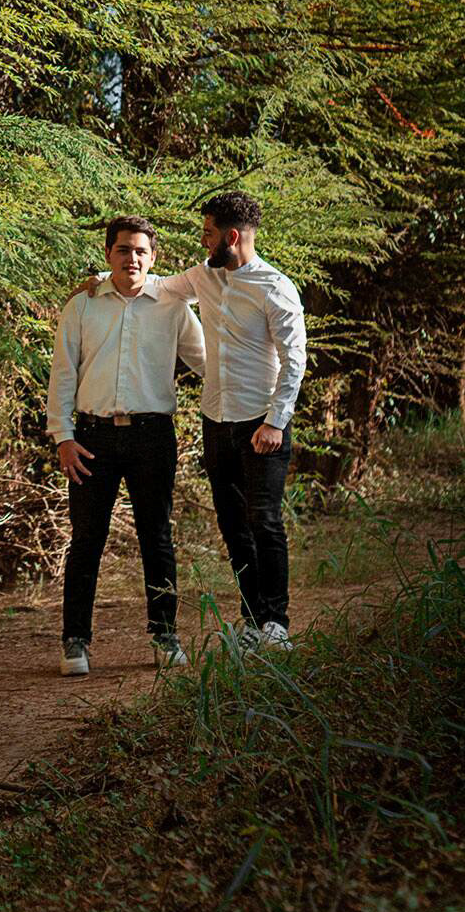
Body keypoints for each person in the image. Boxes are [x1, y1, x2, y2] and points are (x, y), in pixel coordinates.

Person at [89, 190, 307, 649]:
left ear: (232, 237)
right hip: (216, 422)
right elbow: (159, 286)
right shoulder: (203, 276)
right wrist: (99, 280)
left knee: (264, 521)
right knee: (232, 525)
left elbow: (295, 360)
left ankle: (276, 622)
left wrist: (275, 422)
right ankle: (252, 621)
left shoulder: (275, 287)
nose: (203, 241)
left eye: (208, 234)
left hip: (261, 423)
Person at [47, 215, 205, 676]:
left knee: (157, 536)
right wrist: (63, 437)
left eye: (140, 251)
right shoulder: (82, 306)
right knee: (86, 539)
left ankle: (164, 634)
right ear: (108, 254)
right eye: (122, 250)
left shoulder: (172, 306)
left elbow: (206, 364)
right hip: (91, 437)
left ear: (153, 258)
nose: (131, 258)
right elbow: (63, 374)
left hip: (152, 436)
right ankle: (75, 640)